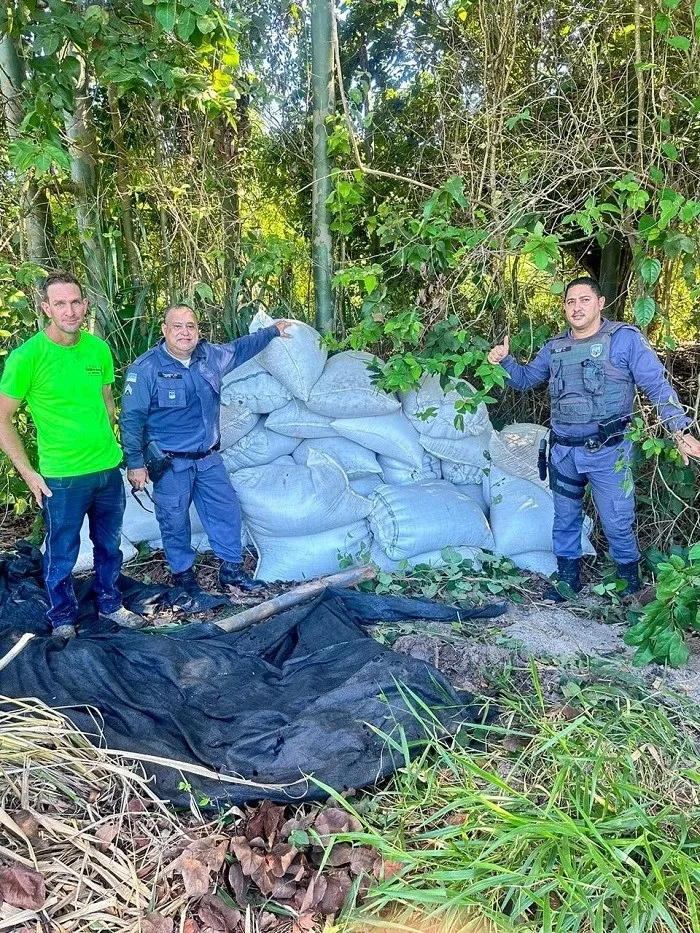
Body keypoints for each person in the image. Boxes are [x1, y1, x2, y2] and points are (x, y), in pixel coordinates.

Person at [488, 276, 700, 600]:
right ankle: (567, 583)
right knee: (565, 520)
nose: (577, 307)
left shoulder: (624, 340)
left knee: (617, 523)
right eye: (571, 301)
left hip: (608, 453)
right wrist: (505, 360)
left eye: (584, 300)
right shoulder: (555, 347)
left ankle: (629, 587)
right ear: (564, 307)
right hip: (563, 452)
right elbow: (525, 380)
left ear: (600, 303)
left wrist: (678, 429)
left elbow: (656, 386)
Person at [0, 272, 143, 637]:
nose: (70, 310)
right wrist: (29, 473)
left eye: (75, 301)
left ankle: (111, 604)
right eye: (60, 303)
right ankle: (63, 617)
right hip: (62, 476)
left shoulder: (97, 349)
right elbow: (2, 418)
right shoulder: (27, 357)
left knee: (110, 546)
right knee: (62, 551)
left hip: (107, 469)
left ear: (85, 304)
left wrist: (117, 450)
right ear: (46, 308)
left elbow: (107, 401)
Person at [120, 305, 292, 595]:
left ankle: (232, 572)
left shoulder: (210, 356)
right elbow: (130, 419)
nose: (185, 332)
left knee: (226, 511)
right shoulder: (146, 368)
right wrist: (135, 463)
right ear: (164, 330)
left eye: (191, 326)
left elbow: (241, 348)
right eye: (177, 326)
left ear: (198, 331)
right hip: (171, 464)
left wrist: (272, 331)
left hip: (209, 459)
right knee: (174, 521)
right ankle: (184, 576)